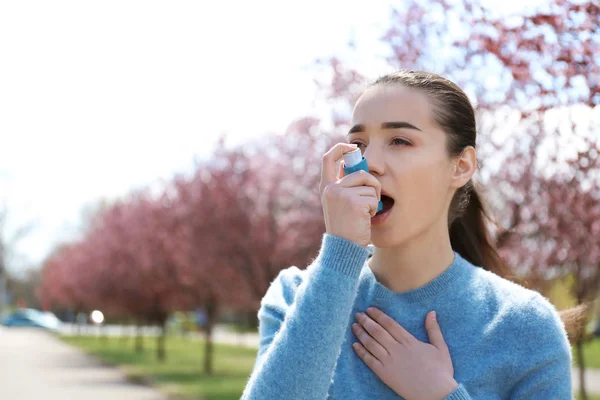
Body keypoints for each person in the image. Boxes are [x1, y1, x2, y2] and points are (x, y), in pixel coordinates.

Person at [241, 70, 580, 399]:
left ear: (461, 166)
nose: (368, 162)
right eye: (358, 144)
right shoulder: (295, 297)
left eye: (400, 141)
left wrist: (443, 396)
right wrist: (339, 255)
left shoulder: (525, 327)